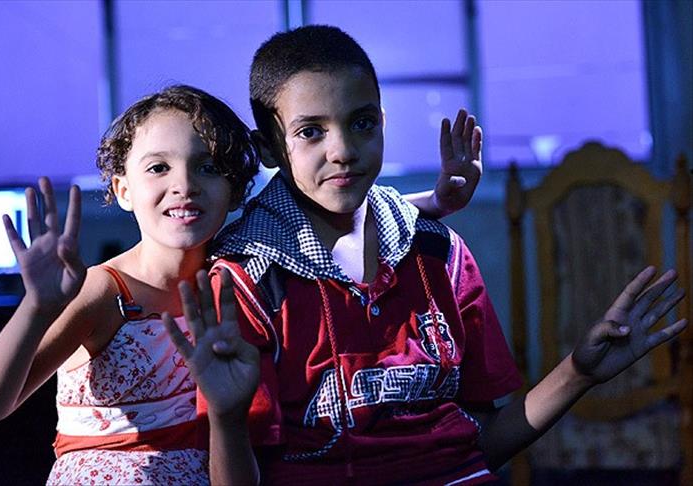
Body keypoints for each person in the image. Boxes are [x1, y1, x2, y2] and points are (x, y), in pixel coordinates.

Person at [172, 25, 688, 485]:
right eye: (311, 132)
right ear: (267, 147)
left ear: (383, 121)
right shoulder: (246, 282)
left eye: (362, 123)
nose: (343, 150)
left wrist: (579, 372)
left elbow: (480, 445)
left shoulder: (440, 253)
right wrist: (226, 419)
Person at [0, 83, 478, 484]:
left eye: (208, 167)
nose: (184, 185)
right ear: (122, 189)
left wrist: (435, 202)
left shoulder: (242, 271)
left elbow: (325, 212)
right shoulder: (106, 292)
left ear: (237, 191)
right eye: (158, 168)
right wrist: (38, 307)